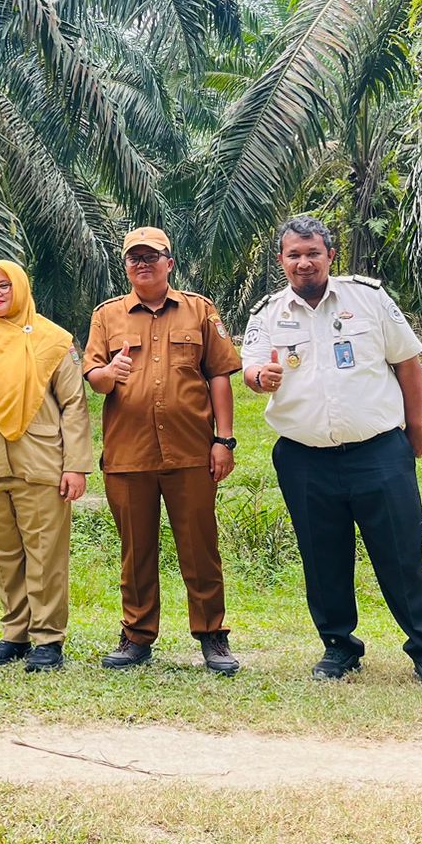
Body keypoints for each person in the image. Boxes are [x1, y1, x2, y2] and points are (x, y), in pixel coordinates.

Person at [242, 215, 422, 690]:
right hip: (304, 457)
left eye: (312, 253)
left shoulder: (368, 298)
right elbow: (251, 370)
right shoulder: (267, 314)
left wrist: (416, 427)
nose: (303, 262)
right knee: (322, 557)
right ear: (281, 260)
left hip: (378, 452)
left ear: (329, 256)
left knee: (401, 553)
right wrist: (261, 379)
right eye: (294, 254)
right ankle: (339, 647)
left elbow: (406, 362)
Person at [84, 226, 242, 674]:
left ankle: (212, 636)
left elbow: (219, 376)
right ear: (126, 265)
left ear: (169, 262)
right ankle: (136, 635)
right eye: (134, 257)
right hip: (128, 454)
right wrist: (109, 371)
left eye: (152, 256)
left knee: (200, 546)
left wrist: (223, 440)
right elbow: (94, 379)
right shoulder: (107, 316)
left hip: (191, 450)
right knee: (136, 550)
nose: (143, 264)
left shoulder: (199, 310)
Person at [0, 261, 94, 672]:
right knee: (3, 553)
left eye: (4, 286)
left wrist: (76, 465)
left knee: (45, 553)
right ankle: (15, 633)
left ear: (21, 288)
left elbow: (75, 406)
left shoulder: (53, 339)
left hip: (41, 460)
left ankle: (48, 639)